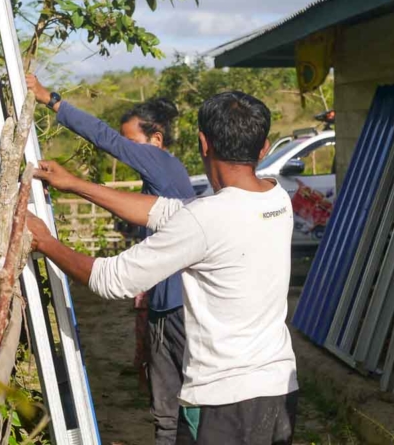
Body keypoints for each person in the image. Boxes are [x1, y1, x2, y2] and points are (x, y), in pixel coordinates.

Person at [27, 91, 299, 444]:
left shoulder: (206, 218)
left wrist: (46, 242)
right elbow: (166, 211)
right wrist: (76, 185)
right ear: (263, 148)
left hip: (223, 404)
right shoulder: (277, 198)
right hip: (279, 390)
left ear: (204, 143)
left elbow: (112, 280)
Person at [25, 74, 196, 444]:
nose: (125, 151)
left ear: (157, 139)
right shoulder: (162, 180)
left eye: (131, 142)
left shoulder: (163, 164)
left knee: (179, 409)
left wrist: (51, 100)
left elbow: (105, 139)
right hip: (166, 308)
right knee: (169, 407)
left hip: (177, 310)